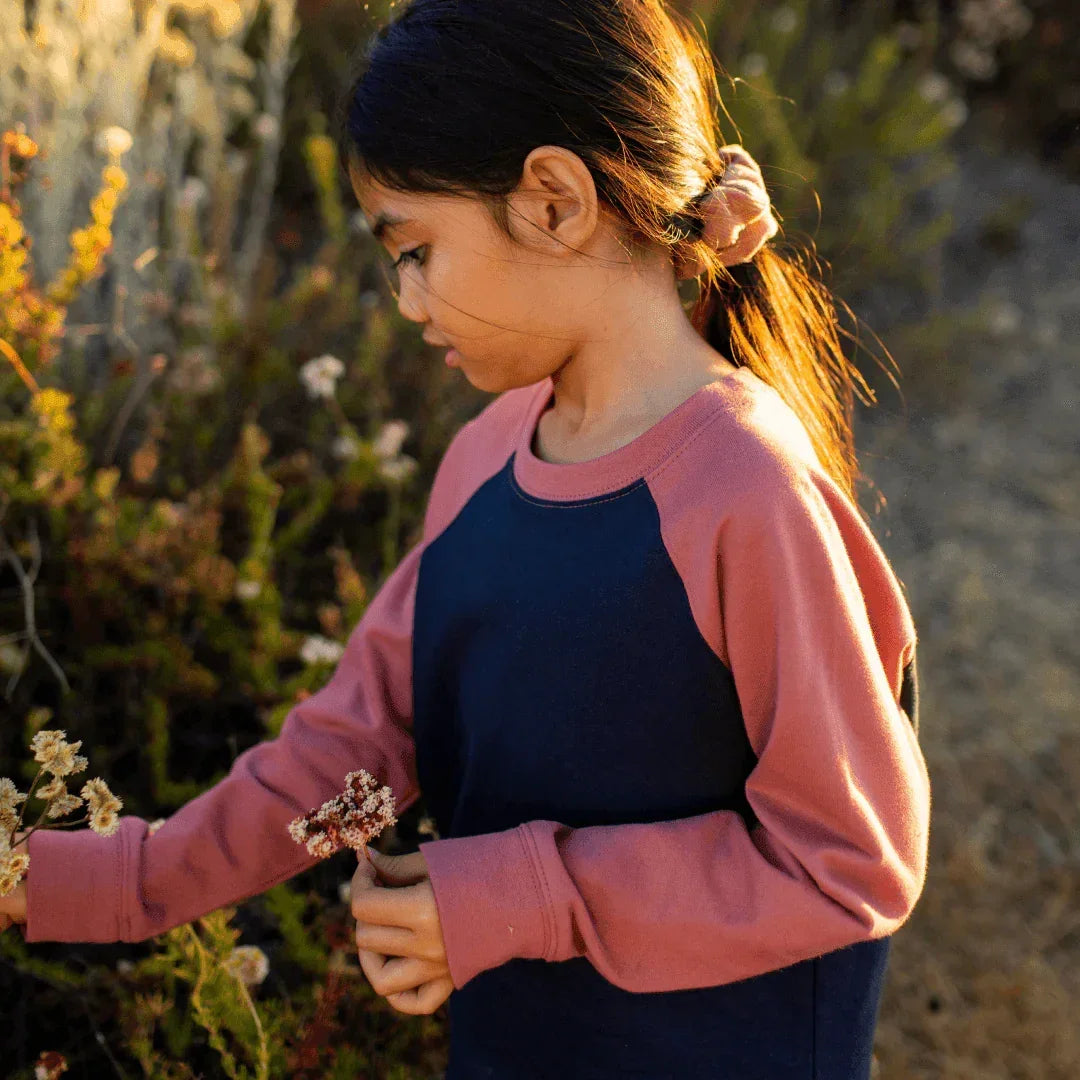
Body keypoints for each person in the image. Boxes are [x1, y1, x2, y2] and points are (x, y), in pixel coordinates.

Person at [8, 0, 931, 1076]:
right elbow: (361, 751)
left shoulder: (745, 491)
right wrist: (115, 882)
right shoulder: (490, 457)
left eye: (415, 249)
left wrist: (509, 897)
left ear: (553, 201)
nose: (404, 302)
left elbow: (851, 864)